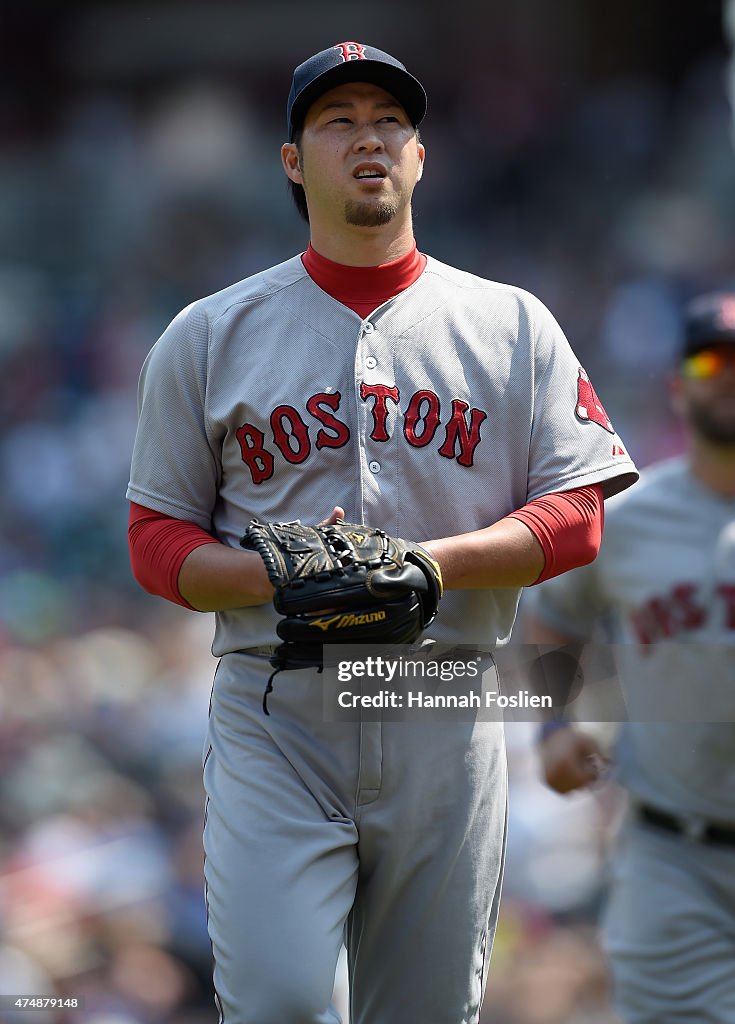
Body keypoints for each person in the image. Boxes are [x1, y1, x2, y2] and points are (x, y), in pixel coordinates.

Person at [126, 41, 637, 1024]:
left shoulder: (511, 323)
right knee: (279, 1002)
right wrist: (276, 576)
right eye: (339, 120)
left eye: (389, 121)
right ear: (291, 160)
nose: (370, 139)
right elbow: (156, 540)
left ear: (420, 156)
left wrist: (425, 569)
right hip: (280, 703)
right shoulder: (207, 333)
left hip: (444, 690)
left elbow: (578, 516)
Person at [528, 291, 735, 1024]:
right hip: (672, 854)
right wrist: (551, 727)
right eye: (711, 359)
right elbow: (549, 626)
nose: (728, 375)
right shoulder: (627, 521)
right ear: (677, 387)